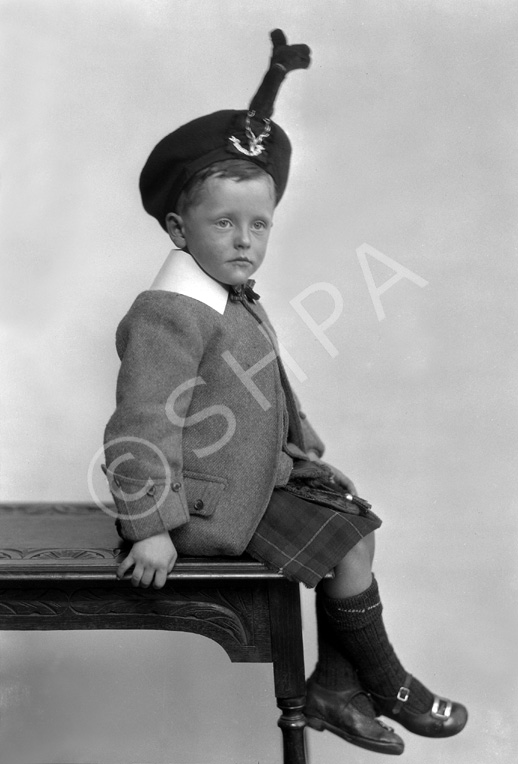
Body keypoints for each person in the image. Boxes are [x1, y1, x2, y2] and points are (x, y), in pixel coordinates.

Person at [103, 30, 467, 756]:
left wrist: (302, 444)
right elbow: (138, 423)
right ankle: (384, 682)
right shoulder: (171, 310)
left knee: (355, 522)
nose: (245, 240)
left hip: (246, 472)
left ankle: (337, 688)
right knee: (348, 541)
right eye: (224, 224)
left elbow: (257, 380)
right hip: (198, 507)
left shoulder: (231, 295)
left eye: (259, 224)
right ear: (179, 228)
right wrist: (148, 524)